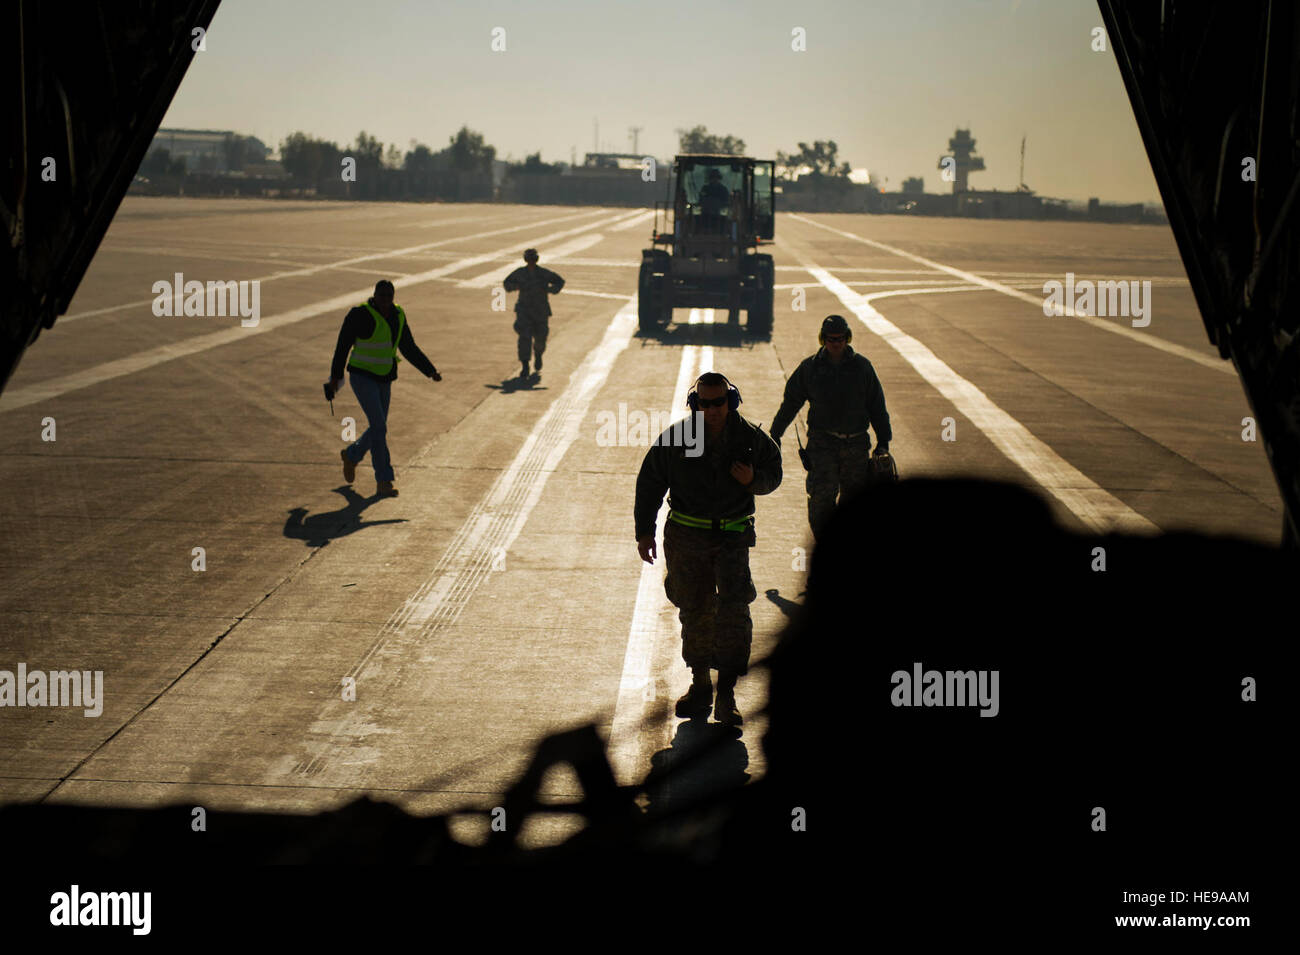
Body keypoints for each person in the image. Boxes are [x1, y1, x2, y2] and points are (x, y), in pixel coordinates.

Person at [635, 372, 782, 726]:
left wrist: (752, 481)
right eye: (706, 403)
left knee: (733, 615)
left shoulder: (750, 438)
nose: (713, 410)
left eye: (720, 402)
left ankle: (727, 695)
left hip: (733, 540)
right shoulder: (677, 438)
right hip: (687, 538)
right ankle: (700, 685)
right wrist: (644, 532)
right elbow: (651, 482)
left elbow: (773, 474)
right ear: (695, 404)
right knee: (695, 610)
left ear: (730, 402)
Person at [768, 314, 892, 541]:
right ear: (823, 339)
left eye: (841, 338)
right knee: (820, 503)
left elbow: (877, 406)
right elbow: (791, 403)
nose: (836, 343)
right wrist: (775, 433)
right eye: (831, 339)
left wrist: (883, 442)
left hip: (855, 444)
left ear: (847, 339)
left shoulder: (862, 368)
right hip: (822, 445)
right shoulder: (810, 368)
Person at [328, 279, 441, 498]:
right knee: (379, 427)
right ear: (375, 295)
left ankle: (352, 455)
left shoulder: (398, 315)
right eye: (382, 296)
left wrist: (429, 370)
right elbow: (342, 346)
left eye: (390, 297)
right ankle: (384, 480)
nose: (386, 301)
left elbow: (408, 346)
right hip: (362, 377)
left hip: (384, 379)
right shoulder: (359, 314)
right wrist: (335, 377)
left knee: (378, 427)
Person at [503, 248, 565, 380]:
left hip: (540, 311)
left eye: (532, 258)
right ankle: (525, 365)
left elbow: (559, 281)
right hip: (524, 311)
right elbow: (507, 283)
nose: (531, 261)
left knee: (540, 338)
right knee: (524, 338)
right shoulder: (520, 273)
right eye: (529, 258)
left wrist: (550, 289)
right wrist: (516, 287)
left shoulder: (543, 273)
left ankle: (538, 355)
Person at [697, 168, 730, 232]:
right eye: (712, 177)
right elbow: (701, 201)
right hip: (705, 215)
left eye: (716, 177)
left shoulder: (723, 189)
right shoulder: (705, 188)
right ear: (710, 178)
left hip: (719, 216)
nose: (714, 179)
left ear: (719, 178)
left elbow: (726, 202)